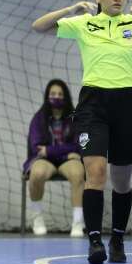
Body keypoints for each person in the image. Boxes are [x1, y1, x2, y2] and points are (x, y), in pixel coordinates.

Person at [32, 0, 132, 264]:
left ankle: (118, 239)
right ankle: (95, 241)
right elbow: (39, 26)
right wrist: (71, 10)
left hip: (127, 104)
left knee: (122, 180)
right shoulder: (85, 24)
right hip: (93, 105)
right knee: (96, 173)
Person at [23, 79, 84, 237]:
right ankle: (37, 218)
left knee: (78, 172)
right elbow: (37, 147)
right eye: (53, 94)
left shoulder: (74, 117)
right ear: (47, 96)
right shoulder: (38, 118)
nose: (56, 97)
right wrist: (61, 151)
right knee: (36, 173)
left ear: (66, 97)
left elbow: (78, 145)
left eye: (60, 94)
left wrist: (49, 150)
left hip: (67, 160)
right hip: (46, 160)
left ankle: (78, 222)